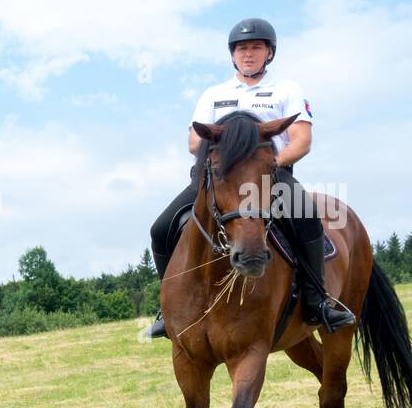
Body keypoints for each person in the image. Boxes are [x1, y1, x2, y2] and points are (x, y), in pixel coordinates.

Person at [146, 17, 356, 338]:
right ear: (232, 55)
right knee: (160, 228)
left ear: (269, 53)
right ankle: (169, 310)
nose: (248, 54)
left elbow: (301, 140)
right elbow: (194, 141)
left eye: (256, 48)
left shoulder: (286, 90)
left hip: (270, 177)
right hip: (218, 180)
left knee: (309, 219)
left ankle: (318, 303)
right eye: (241, 48)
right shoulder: (214, 94)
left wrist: (272, 163)